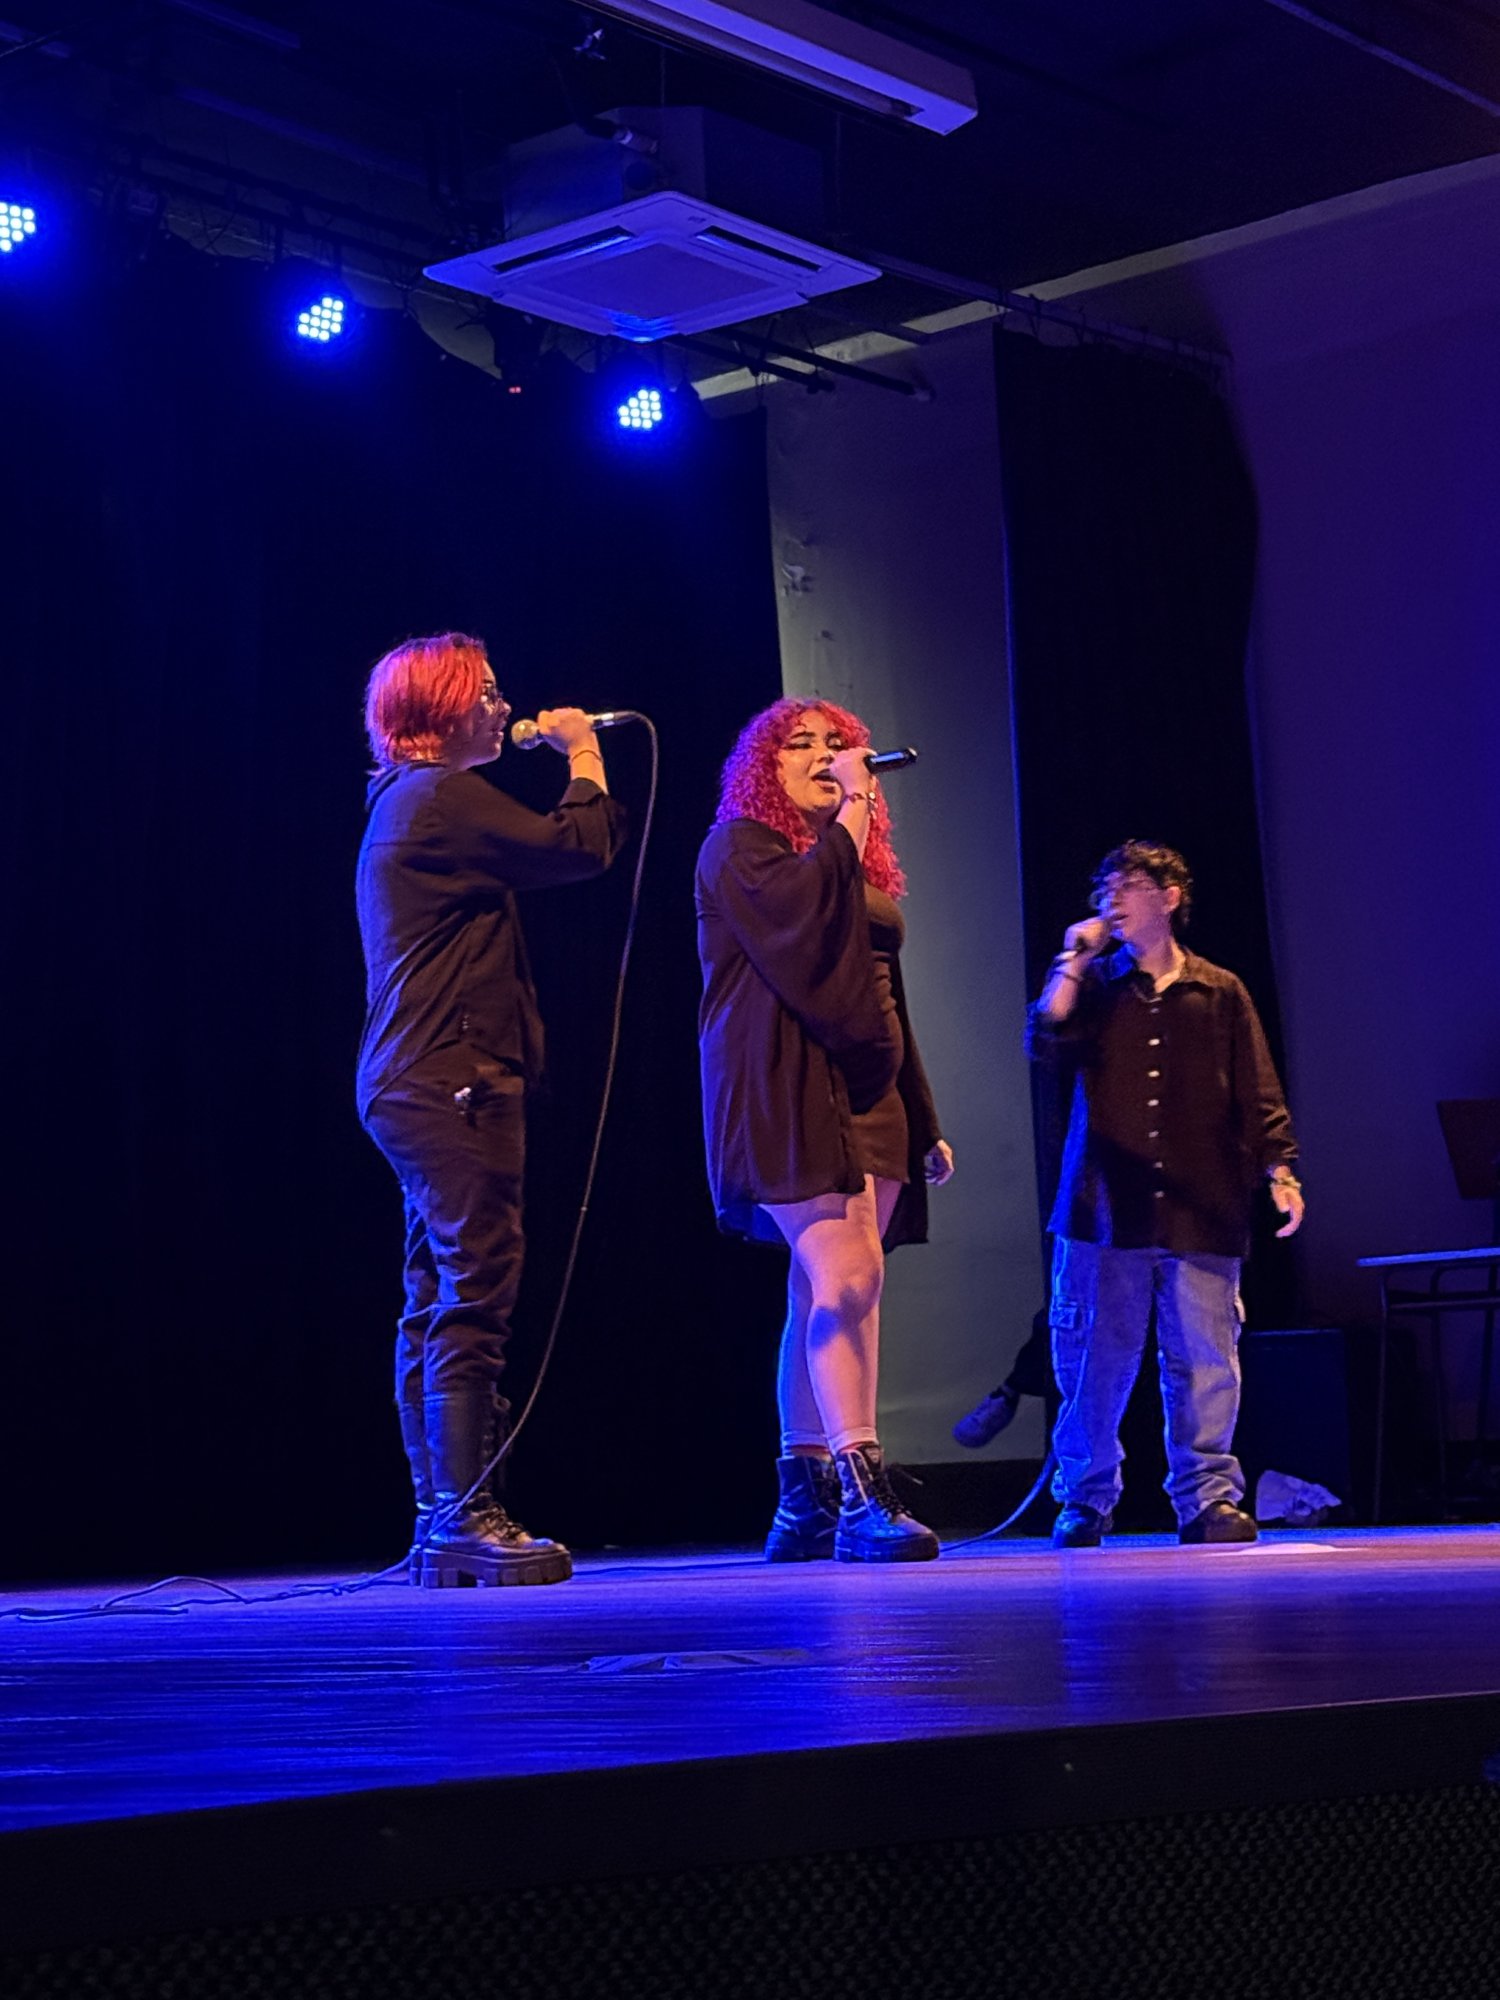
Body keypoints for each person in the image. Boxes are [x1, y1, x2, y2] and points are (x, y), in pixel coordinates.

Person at [356, 633, 626, 1587]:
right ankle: (464, 1515)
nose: (503, 708)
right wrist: (582, 752)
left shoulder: (411, 801)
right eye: (487, 693)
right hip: (451, 1078)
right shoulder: (437, 796)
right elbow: (580, 846)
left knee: (436, 1294)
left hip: (414, 1077)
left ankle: (441, 1517)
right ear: (443, 708)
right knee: (475, 1288)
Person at [695, 697, 955, 1563]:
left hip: (871, 1095)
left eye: (836, 744)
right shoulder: (741, 849)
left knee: (830, 1292)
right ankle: (861, 1494)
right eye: (798, 745)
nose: (823, 755)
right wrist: (854, 805)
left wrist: (923, 1116)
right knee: (846, 1282)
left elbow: (886, 993)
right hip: (791, 1087)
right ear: (762, 769)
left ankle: (802, 1500)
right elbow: (804, 935)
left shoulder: (847, 862)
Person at [1028, 840, 1304, 1549]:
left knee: (1205, 1361)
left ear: (1170, 897)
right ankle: (1084, 1498)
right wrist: (1073, 959)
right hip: (1102, 1207)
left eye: (1128, 886)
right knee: (1092, 1360)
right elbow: (1046, 1041)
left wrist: (1280, 1173)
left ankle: (1207, 1498)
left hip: (1201, 1201)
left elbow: (1258, 1090)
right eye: (1105, 888)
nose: (1112, 900)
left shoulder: (1220, 991)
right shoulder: (1094, 986)